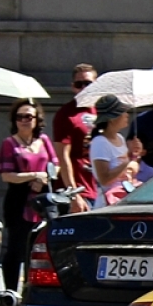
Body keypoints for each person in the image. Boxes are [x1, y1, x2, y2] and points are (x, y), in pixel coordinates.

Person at [0, 100, 56, 291]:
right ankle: (10, 292)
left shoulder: (44, 140)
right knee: (16, 249)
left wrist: (44, 178)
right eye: (20, 117)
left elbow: (55, 166)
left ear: (37, 119)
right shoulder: (9, 144)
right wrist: (33, 175)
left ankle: (34, 290)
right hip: (19, 202)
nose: (24, 120)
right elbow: (6, 175)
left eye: (28, 116)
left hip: (42, 202)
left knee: (39, 249)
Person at [52, 63, 98, 212]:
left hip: (99, 188)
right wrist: (73, 194)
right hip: (78, 190)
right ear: (73, 87)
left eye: (88, 84)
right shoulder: (66, 114)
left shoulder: (101, 112)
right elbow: (63, 156)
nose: (84, 88)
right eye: (79, 84)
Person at [89, 95, 136, 208]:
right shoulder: (100, 142)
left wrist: (135, 157)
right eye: (122, 112)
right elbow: (104, 179)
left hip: (125, 199)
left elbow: (127, 168)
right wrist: (128, 161)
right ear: (112, 118)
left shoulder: (120, 138)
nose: (126, 115)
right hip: (108, 205)